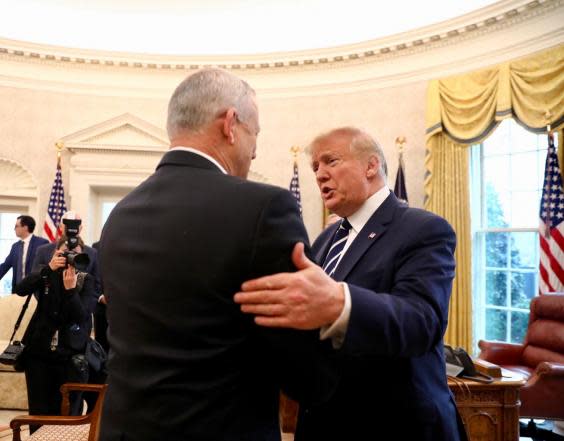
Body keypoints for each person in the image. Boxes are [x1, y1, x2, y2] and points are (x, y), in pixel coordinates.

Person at [98, 68, 336, 441]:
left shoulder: (121, 215)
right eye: (254, 133)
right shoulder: (263, 208)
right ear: (230, 124)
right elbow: (306, 376)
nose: (255, 149)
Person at [235, 127, 467, 440]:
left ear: (371, 166)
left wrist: (340, 303)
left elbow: (423, 322)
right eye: (316, 167)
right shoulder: (327, 238)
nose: (320, 175)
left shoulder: (423, 229)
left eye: (330, 161)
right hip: (324, 421)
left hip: (395, 424)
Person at [14, 237, 98, 431]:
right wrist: (48, 269)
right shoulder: (46, 274)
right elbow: (21, 289)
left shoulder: (86, 280)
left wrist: (71, 291)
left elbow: (82, 316)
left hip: (69, 355)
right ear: (55, 254)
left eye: (75, 254)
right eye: (65, 254)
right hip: (38, 352)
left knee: (66, 413)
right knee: (38, 410)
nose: (70, 258)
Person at [33, 211, 101, 295]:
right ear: (61, 227)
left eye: (76, 224)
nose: (71, 228)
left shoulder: (92, 253)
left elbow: (97, 285)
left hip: (81, 305)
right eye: (67, 224)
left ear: (81, 228)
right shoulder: (43, 251)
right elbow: (34, 281)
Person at [0, 215, 48, 292]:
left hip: (35, 291)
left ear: (25, 227)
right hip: (18, 291)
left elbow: (45, 267)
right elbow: (5, 266)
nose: (14, 229)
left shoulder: (42, 243)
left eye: (16, 226)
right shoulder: (15, 246)